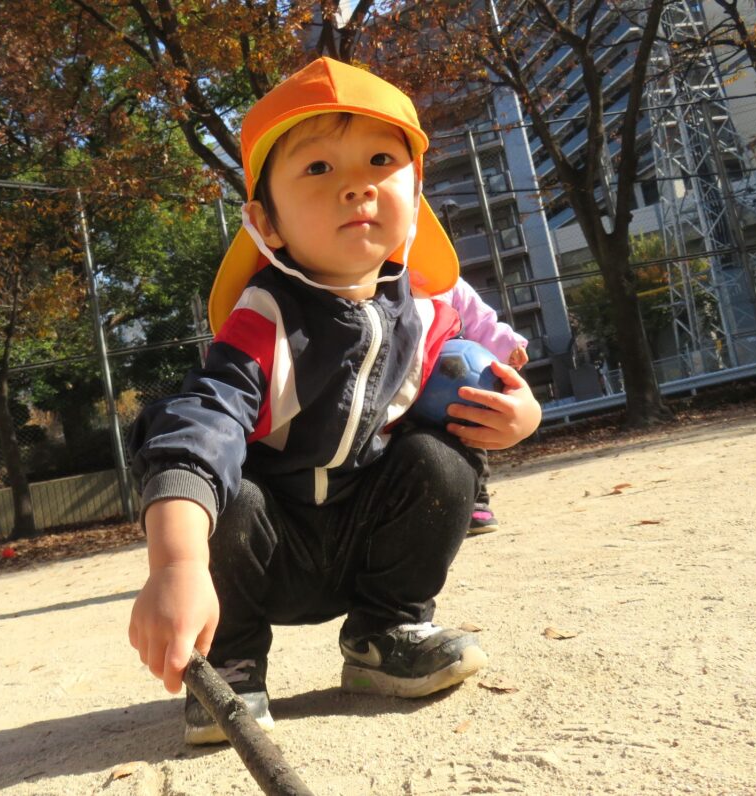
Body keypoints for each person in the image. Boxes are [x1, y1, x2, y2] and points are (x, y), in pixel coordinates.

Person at [126, 57, 542, 745]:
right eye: (318, 168)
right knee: (232, 492)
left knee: (440, 460)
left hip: (366, 541)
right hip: (268, 551)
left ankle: (386, 631)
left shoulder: (429, 312)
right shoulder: (266, 321)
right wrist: (177, 563)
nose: (356, 186)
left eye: (381, 160)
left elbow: (484, 382)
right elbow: (201, 425)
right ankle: (231, 662)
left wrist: (522, 417)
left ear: (417, 191)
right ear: (267, 222)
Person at [440, 278, 529, 534]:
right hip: (406, 389)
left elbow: (479, 320)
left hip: (453, 380)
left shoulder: (445, 280)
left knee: (468, 437)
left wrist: (507, 345)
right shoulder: (377, 279)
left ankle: (476, 499)